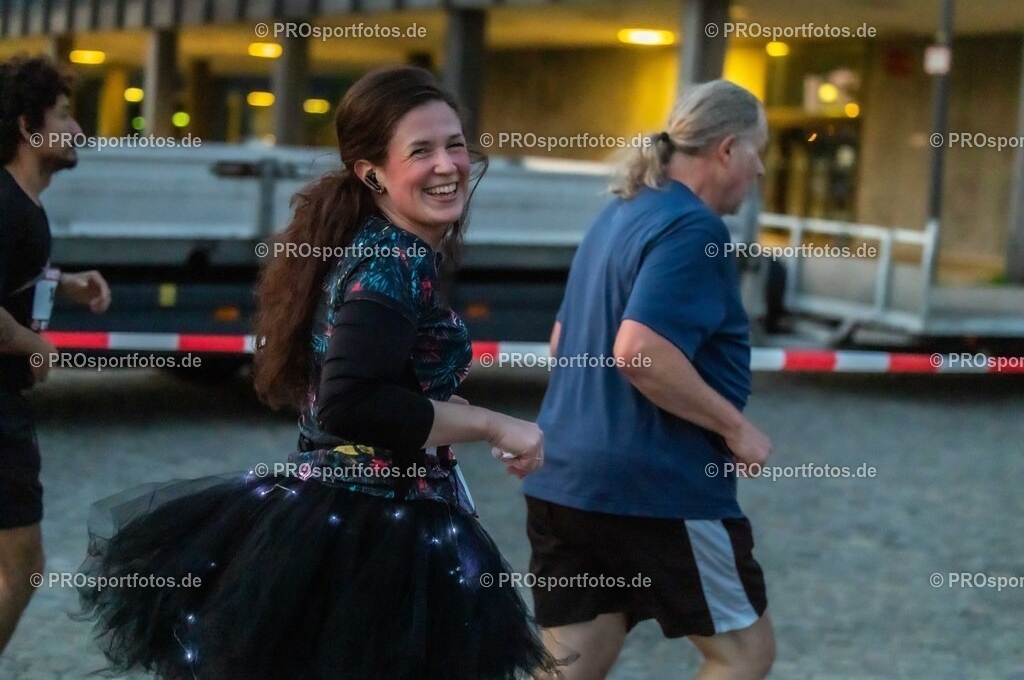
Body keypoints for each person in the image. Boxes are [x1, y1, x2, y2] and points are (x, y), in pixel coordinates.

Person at [77, 65, 562, 679]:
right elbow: (350, 403)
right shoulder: (394, 260)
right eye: (421, 151)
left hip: (345, 513)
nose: (448, 165)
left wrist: (448, 407)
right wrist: (495, 426)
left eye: (455, 143)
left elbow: (371, 379)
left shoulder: (375, 242)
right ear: (373, 174)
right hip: (379, 530)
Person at [521, 80, 776, 679]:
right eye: (758, 151)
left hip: (564, 482)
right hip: (659, 488)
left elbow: (564, 343)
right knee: (743, 656)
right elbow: (639, 353)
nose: (761, 169)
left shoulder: (618, 213)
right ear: (727, 150)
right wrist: (736, 429)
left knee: (574, 660)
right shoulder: (696, 231)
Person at [0, 55, 111, 655]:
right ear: (27, 128)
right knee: (22, 566)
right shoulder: (6, 204)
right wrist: (33, 341)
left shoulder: (20, 204)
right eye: (64, 116)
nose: (77, 130)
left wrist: (62, 280)